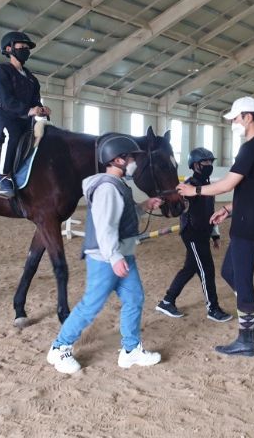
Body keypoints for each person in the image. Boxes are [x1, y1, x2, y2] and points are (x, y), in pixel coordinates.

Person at [47, 134, 163, 374]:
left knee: (134, 299)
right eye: (130, 158)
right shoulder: (108, 189)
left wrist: (144, 206)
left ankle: (130, 350)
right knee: (90, 305)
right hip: (106, 258)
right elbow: (105, 226)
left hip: (122, 254)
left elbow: (123, 217)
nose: (133, 162)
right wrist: (114, 257)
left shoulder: (119, 186)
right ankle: (59, 347)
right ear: (118, 160)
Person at [176, 96, 254, 357]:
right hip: (247, 219)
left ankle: (246, 340)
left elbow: (227, 184)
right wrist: (228, 209)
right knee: (229, 272)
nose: (233, 123)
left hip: (247, 225)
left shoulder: (251, 148)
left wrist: (194, 190)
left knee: (242, 278)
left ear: (248, 117)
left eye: (235, 119)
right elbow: (252, 191)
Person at [156, 147, 232, 323]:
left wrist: (215, 234)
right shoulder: (188, 186)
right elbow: (177, 207)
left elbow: (210, 212)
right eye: (205, 162)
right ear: (195, 165)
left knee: (189, 268)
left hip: (204, 232)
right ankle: (213, 308)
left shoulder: (208, 187)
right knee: (206, 269)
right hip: (192, 233)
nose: (209, 164)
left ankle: (167, 301)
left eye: (211, 161)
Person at [0, 31, 51, 199]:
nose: (25, 50)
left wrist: (41, 109)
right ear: (9, 49)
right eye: (22, 46)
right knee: (13, 134)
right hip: (4, 116)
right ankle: (3, 178)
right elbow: (6, 100)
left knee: (47, 133)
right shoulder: (1, 71)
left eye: (27, 48)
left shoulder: (32, 79)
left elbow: (35, 101)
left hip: (25, 118)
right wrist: (28, 111)